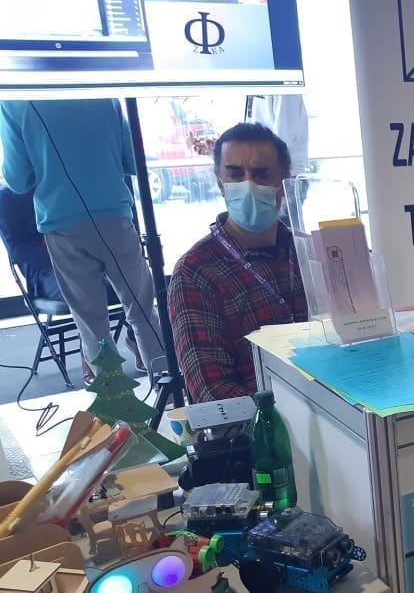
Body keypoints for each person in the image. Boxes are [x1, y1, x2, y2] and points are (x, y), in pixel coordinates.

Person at [0, 99, 167, 385]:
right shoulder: (103, 93)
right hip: (115, 216)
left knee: (92, 324)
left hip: (61, 223)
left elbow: (17, 180)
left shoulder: (15, 101)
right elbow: (132, 161)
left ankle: (117, 403)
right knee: (142, 310)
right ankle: (168, 391)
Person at [168, 122, 308, 403]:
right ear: (220, 183)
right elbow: (214, 395)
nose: (248, 184)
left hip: (340, 414)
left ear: (284, 182)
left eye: (261, 174)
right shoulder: (196, 272)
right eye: (235, 174)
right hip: (263, 425)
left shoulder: (311, 253)